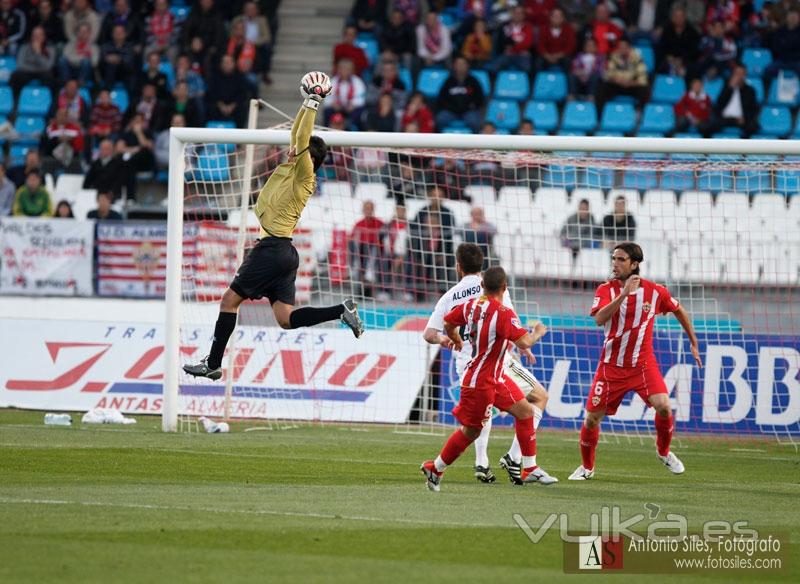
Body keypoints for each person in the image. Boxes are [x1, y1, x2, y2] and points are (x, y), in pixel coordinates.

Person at [183, 72, 364, 381]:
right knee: (285, 319)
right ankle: (340, 311)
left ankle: (213, 363)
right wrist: (304, 107)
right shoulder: (293, 168)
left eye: (299, 147)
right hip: (283, 252)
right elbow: (298, 134)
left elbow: (302, 138)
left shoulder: (304, 174)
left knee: (229, 301)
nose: (292, 147)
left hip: (272, 249)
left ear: (308, 155)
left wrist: (313, 102)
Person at [569, 242, 702, 481]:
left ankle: (664, 452)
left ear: (634, 264)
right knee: (591, 419)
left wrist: (693, 341)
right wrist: (623, 295)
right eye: (613, 259)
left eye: (621, 259)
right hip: (611, 366)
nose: (615, 264)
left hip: (642, 364)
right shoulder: (605, 290)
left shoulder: (654, 291)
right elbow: (599, 319)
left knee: (664, 406)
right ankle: (587, 468)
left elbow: (679, 310)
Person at [420, 266, 558, 491]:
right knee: (471, 431)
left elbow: (448, 321)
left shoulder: (471, 305)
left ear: (482, 286)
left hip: (494, 377)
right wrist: (538, 333)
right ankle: (435, 468)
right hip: (480, 382)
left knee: (525, 413)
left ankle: (530, 468)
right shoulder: (503, 313)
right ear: (505, 287)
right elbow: (524, 342)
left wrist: (455, 338)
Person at [596, 38, 649, 112]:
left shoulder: (637, 58)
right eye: (620, 47)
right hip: (617, 85)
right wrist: (618, 81)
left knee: (645, 90)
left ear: (629, 48)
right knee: (602, 87)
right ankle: (600, 115)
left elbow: (643, 79)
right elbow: (608, 75)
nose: (622, 50)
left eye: (625, 47)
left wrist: (631, 83)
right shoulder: (614, 57)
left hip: (632, 86)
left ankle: (640, 114)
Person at [435, 56, 484, 133]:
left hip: (468, 111)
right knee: (440, 120)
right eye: (458, 64)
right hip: (451, 111)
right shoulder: (449, 81)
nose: (460, 66)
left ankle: (475, 144)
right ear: (454, 66)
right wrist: (449, 107)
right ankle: (440, 143)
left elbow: (480, 98)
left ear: (467, 66)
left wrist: (471, 106)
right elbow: (441, 98)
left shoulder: (473, 81)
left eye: (462, 64)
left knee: (474, 123)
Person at [707, 64, 759, 138]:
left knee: (753, 126)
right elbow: (719, 104)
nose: (738, 76)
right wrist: (730, 88)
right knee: (708, 126)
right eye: (736, 73)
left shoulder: (750, 90)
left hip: (741, 119)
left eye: (741, 74)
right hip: (724, 119)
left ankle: (744, 147)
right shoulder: (726, 87)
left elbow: (752, 109)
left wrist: (745, 117)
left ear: (745, 75)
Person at [350, 200, 385, 298]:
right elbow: (352, 240)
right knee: (359, 264)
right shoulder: (358, 224)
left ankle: (372, 289)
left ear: (373, 210)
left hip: (376, 252)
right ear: (363, 210)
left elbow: (385, 236)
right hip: (361, 252)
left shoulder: (380, 223)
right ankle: (360, 291)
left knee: (373, 256)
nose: (368, 211)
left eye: (370, 208)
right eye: (366, 208)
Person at [325, 58, 367, 130]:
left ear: (352, 70)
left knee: (358, 113)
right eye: (342, 68)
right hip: (337, 108)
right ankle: (328, 131)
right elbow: (326, 99)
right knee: (327, 111)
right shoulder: (333, 81)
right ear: (338, 70)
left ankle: (354, 131)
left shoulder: (358, 82)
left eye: (347, 69)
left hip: (351, 109)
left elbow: (361, 99)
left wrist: (353, 104)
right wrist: (333, 104)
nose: (344, 71)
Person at [490, 5, 534, 72]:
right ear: (512, 14)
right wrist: (517, 45)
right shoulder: (505, 26)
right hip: (508, 55)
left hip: (522, 56)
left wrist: (512, 48)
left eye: (520, 13)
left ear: (524, 15)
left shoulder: (528, 27)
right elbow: (501, 42)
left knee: (527, 69)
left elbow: (527, 43)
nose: (518, 15)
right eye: (516, 13)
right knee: (493, 68)